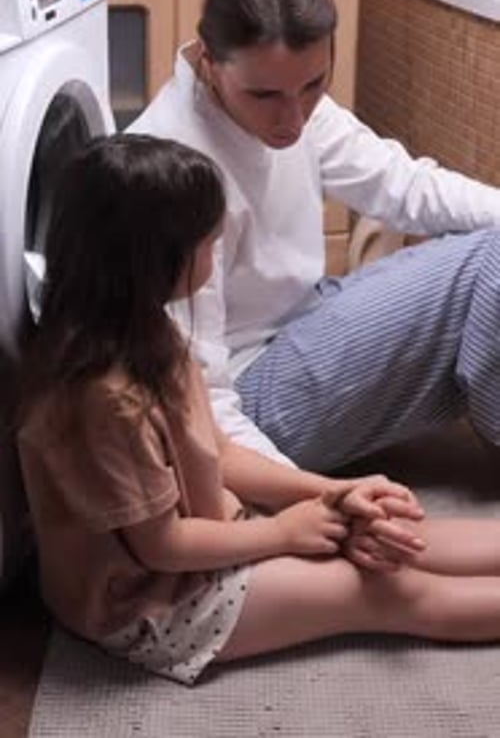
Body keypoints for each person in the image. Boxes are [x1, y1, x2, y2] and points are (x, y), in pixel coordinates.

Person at [17, 134, 500, 686]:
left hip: (209, 531)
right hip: (150, 600)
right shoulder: (103, 397)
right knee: (386, 588)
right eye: (206, 245)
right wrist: (286, 534)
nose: (215, 253)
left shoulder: (151, 328)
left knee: (388, 532)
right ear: (154, 258)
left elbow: (217, 451)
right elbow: (163, 546)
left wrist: (329, 493)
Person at [130, 0, 500, 474]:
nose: (294, 117)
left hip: (302, 320)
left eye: (313, 86)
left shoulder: (288, 99)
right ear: (207, 59)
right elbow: (197, 395)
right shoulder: (173, 169)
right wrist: (302, 499)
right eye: (266, 95)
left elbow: (407, 187)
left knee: (486, 236)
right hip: (248, 395)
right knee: (491, 264)